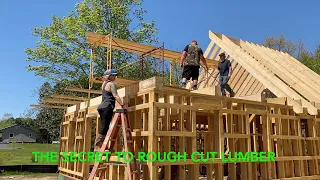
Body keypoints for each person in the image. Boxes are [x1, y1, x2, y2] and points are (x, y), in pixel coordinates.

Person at [94, 69, 125, 151]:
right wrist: (122, 105)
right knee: (104, 127)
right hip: (107, 106)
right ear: (108, 76)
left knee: (106, 126)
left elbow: (103, 80)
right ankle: (97, 147)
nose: (115, 77)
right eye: (113, 75)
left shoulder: (104, 84)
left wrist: (99, 78)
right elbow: (115, 95)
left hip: (102, 107)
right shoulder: (111, 84)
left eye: (115, 75)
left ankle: (104, 147)